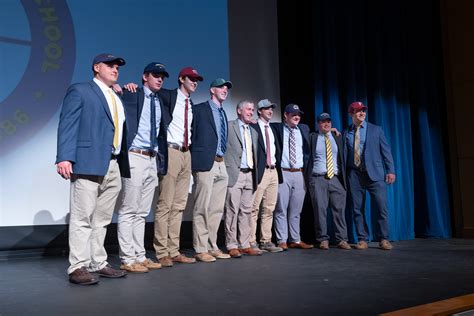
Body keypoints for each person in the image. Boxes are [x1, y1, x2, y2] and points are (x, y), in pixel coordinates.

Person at [56, 53, 130, 285]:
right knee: (82, 216)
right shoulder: (80, 90)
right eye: (110, 65)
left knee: (102, 218)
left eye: (117, 66)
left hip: (113, 163)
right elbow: (68, 123)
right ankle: (78, 265)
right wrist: (65, 157)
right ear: (96, 67)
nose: (115, 69)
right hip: (87, 160)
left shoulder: (116, 96)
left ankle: (98, 262)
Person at [116, 62, 170, 273]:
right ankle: (127, 258)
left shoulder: (160, 101)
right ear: (144, 76)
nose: (160, 79)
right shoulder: (133, 93)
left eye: (162, 76)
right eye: (155, 75)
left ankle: (140, 255)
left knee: (142, 212)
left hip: (152, 158)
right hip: (135, 155)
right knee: (129, 209)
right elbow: (115, 100)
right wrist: (119, 88)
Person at [154, 67, 203, 267]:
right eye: (191, 78)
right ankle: (161, 251)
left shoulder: (191, 104)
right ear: (181, 79)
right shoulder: (168, 95)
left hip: (186, 153)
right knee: (165, 203)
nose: (195, 82)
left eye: (197, 80)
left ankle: (174, 250)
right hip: (171, 151)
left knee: (179, 205)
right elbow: (149, 92)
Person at [190, 78, 232, 262]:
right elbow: (191, 134)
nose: (225, 90)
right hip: (205, 162)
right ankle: (200, 248)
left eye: (227, 88)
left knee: (216, 209)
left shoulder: (223, 113)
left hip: (221, 162)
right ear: (212, 90)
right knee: (202, 206)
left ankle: (212, 245)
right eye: (221, 87)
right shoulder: (199, 109)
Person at [344, 101, 396, 250]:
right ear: (351, 114)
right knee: (357, 208)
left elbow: (386, 151)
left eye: (363, 111)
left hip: (375, 174)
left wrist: (390, 170)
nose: (361, 113)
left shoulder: (376, 130)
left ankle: (384, 239)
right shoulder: (347, 132)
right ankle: (362, 239)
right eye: (358, 111)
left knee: (381, 206)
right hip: (355, 174)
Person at [306, 113, 351, 250]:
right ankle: (323, 239)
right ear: (318, 124)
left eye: (328, 121)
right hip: (318, 178)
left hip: (336, 178)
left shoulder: (338, 137)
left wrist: (333, 132)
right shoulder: (312, 137)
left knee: (339, 210)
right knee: (320, 210)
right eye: (323, 122)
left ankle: (342, 239)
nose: (326, 124)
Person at [272, 104, 313, 250]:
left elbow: (314, 138)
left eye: (298, 114)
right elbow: (261, 126)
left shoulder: (304, 129)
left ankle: (295, 239)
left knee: (296, 210)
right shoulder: (276, 128)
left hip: (300, 173)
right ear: (285, 115)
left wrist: (330, 132)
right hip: (283, 172)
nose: (297, 117)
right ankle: (282, 240)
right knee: (281, 208)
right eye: (293, 114)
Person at [224, 101, 262, 258]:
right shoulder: (229, 126)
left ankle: (244, 244)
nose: (251, 112)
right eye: (248, 109)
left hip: (250, 174)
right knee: (232, 210)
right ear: (239, 110)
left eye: (252, 110)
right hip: (235, 173)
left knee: (246, 210)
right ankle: (231, 244)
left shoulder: (253, 131)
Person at [249, 99, 283, 253]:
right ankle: (251, 241)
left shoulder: (273, 128)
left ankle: (266, 240)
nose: (270, 111)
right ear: (259, 111)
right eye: (266, 108)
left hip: (273, 171)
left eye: (271, 108)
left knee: (269, 208)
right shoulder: (253, 127)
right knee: (254, 208)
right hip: (260, 171)